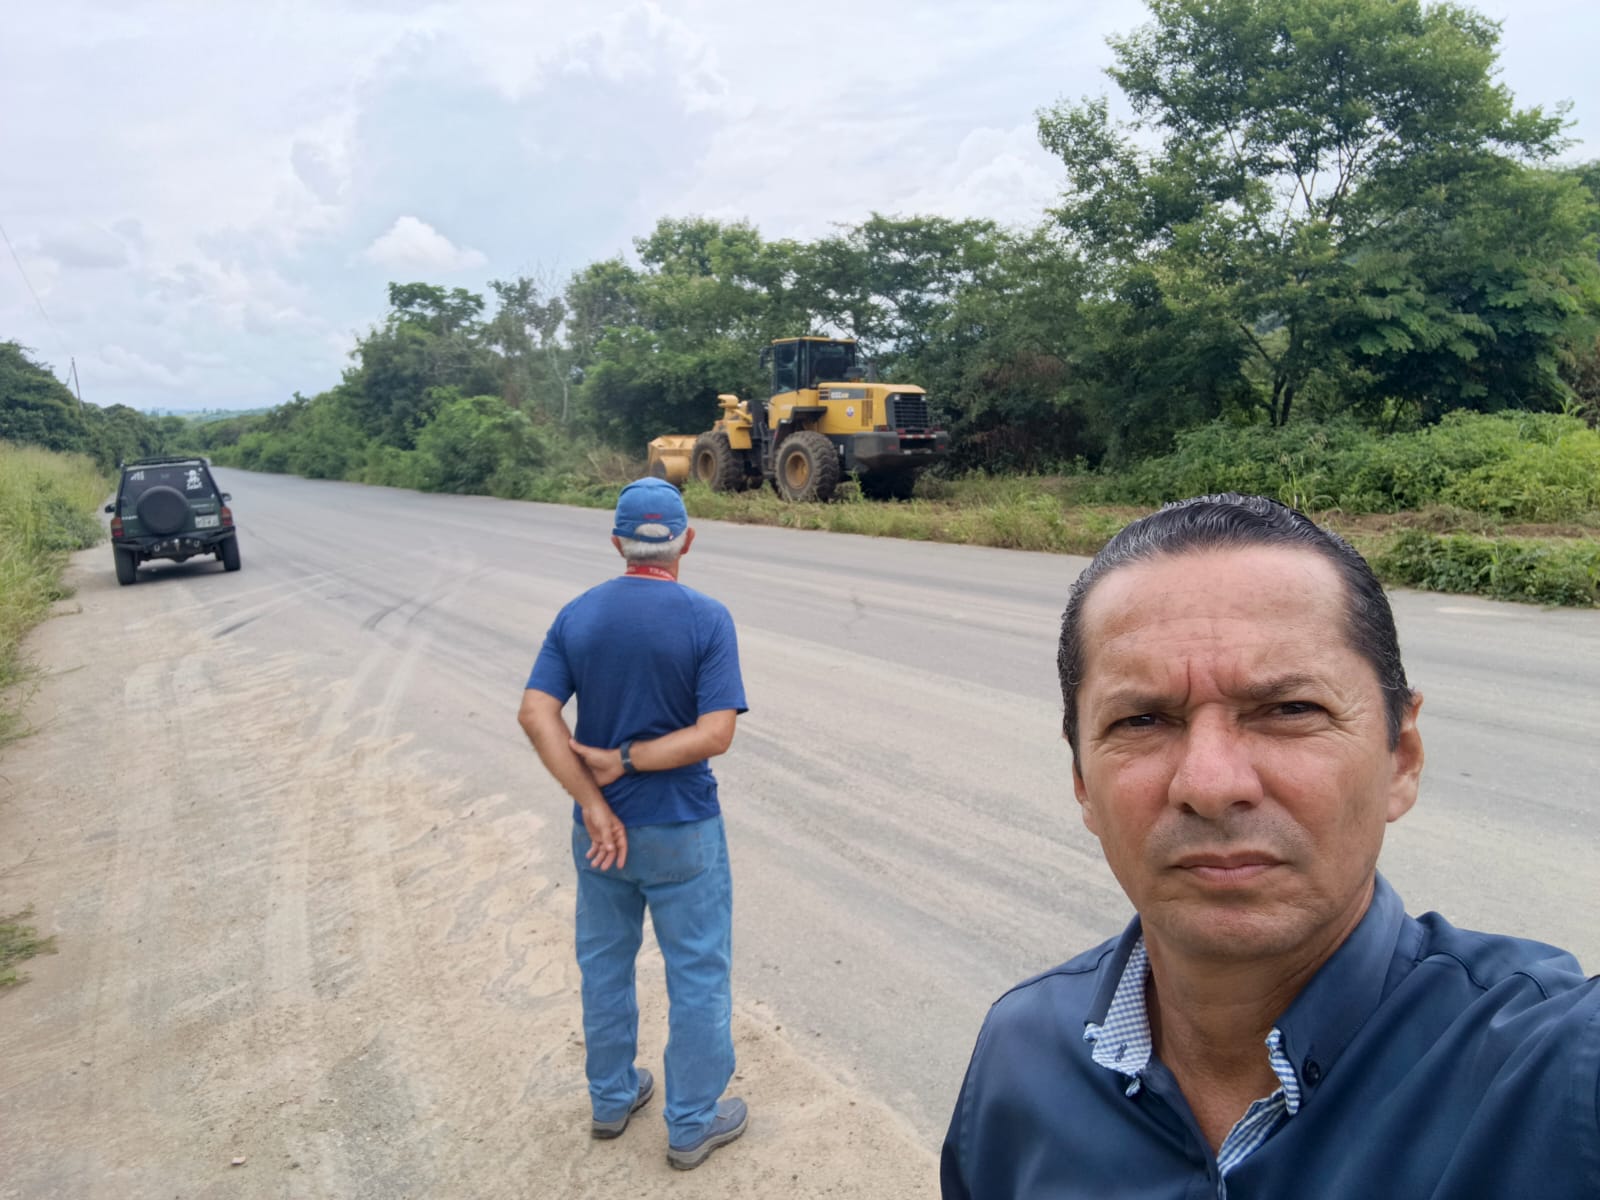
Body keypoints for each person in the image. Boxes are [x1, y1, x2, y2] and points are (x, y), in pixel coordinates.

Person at [941, 493, 1599, 1200]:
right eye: (1143, 720)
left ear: (1402, 759)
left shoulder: (1553, 1074)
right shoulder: (1022, 1057)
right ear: (1082, 782)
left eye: (1290, 710)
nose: (1210, 785)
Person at [518, 477, 750, 1170]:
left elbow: (535, 712)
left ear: (617, 542)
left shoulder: (578, 616)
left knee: (605, 965)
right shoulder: (707, 619)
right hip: (682, 828)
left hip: (602, 835)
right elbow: (715, 734)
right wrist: (630, 760)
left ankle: (612, 1098)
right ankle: (692, 1122)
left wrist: (593, 799)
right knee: (698, 973)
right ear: (686, 541)